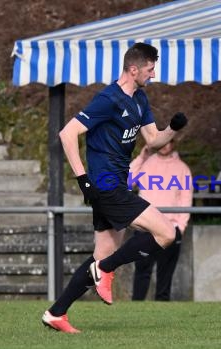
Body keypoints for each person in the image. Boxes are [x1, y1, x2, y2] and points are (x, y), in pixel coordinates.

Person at [41, 42, 188, 333]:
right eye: (150, 69)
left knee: (103, 253)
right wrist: (83, 179)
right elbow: (67, 134)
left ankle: (56, 313)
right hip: (105, 185)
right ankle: (105, 270)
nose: (154, 74)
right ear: (133, 69)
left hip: (117, 183)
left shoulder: (140, 99)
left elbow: (153, 140)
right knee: (167, 232)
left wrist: (172, 128)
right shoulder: (108, 99)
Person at [130, 140, 193, 301]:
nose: (165, 146)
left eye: (168, 142)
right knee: (142, 271)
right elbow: (127, 181)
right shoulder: (145, 164)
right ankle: (135, 309)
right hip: (146, 227)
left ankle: (162, 313)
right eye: (161, 142)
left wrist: (180, 227)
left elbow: (186, 200)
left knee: (165, 274)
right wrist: (142, 156)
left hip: (170, 228)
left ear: (173, 144)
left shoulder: (182, 169)